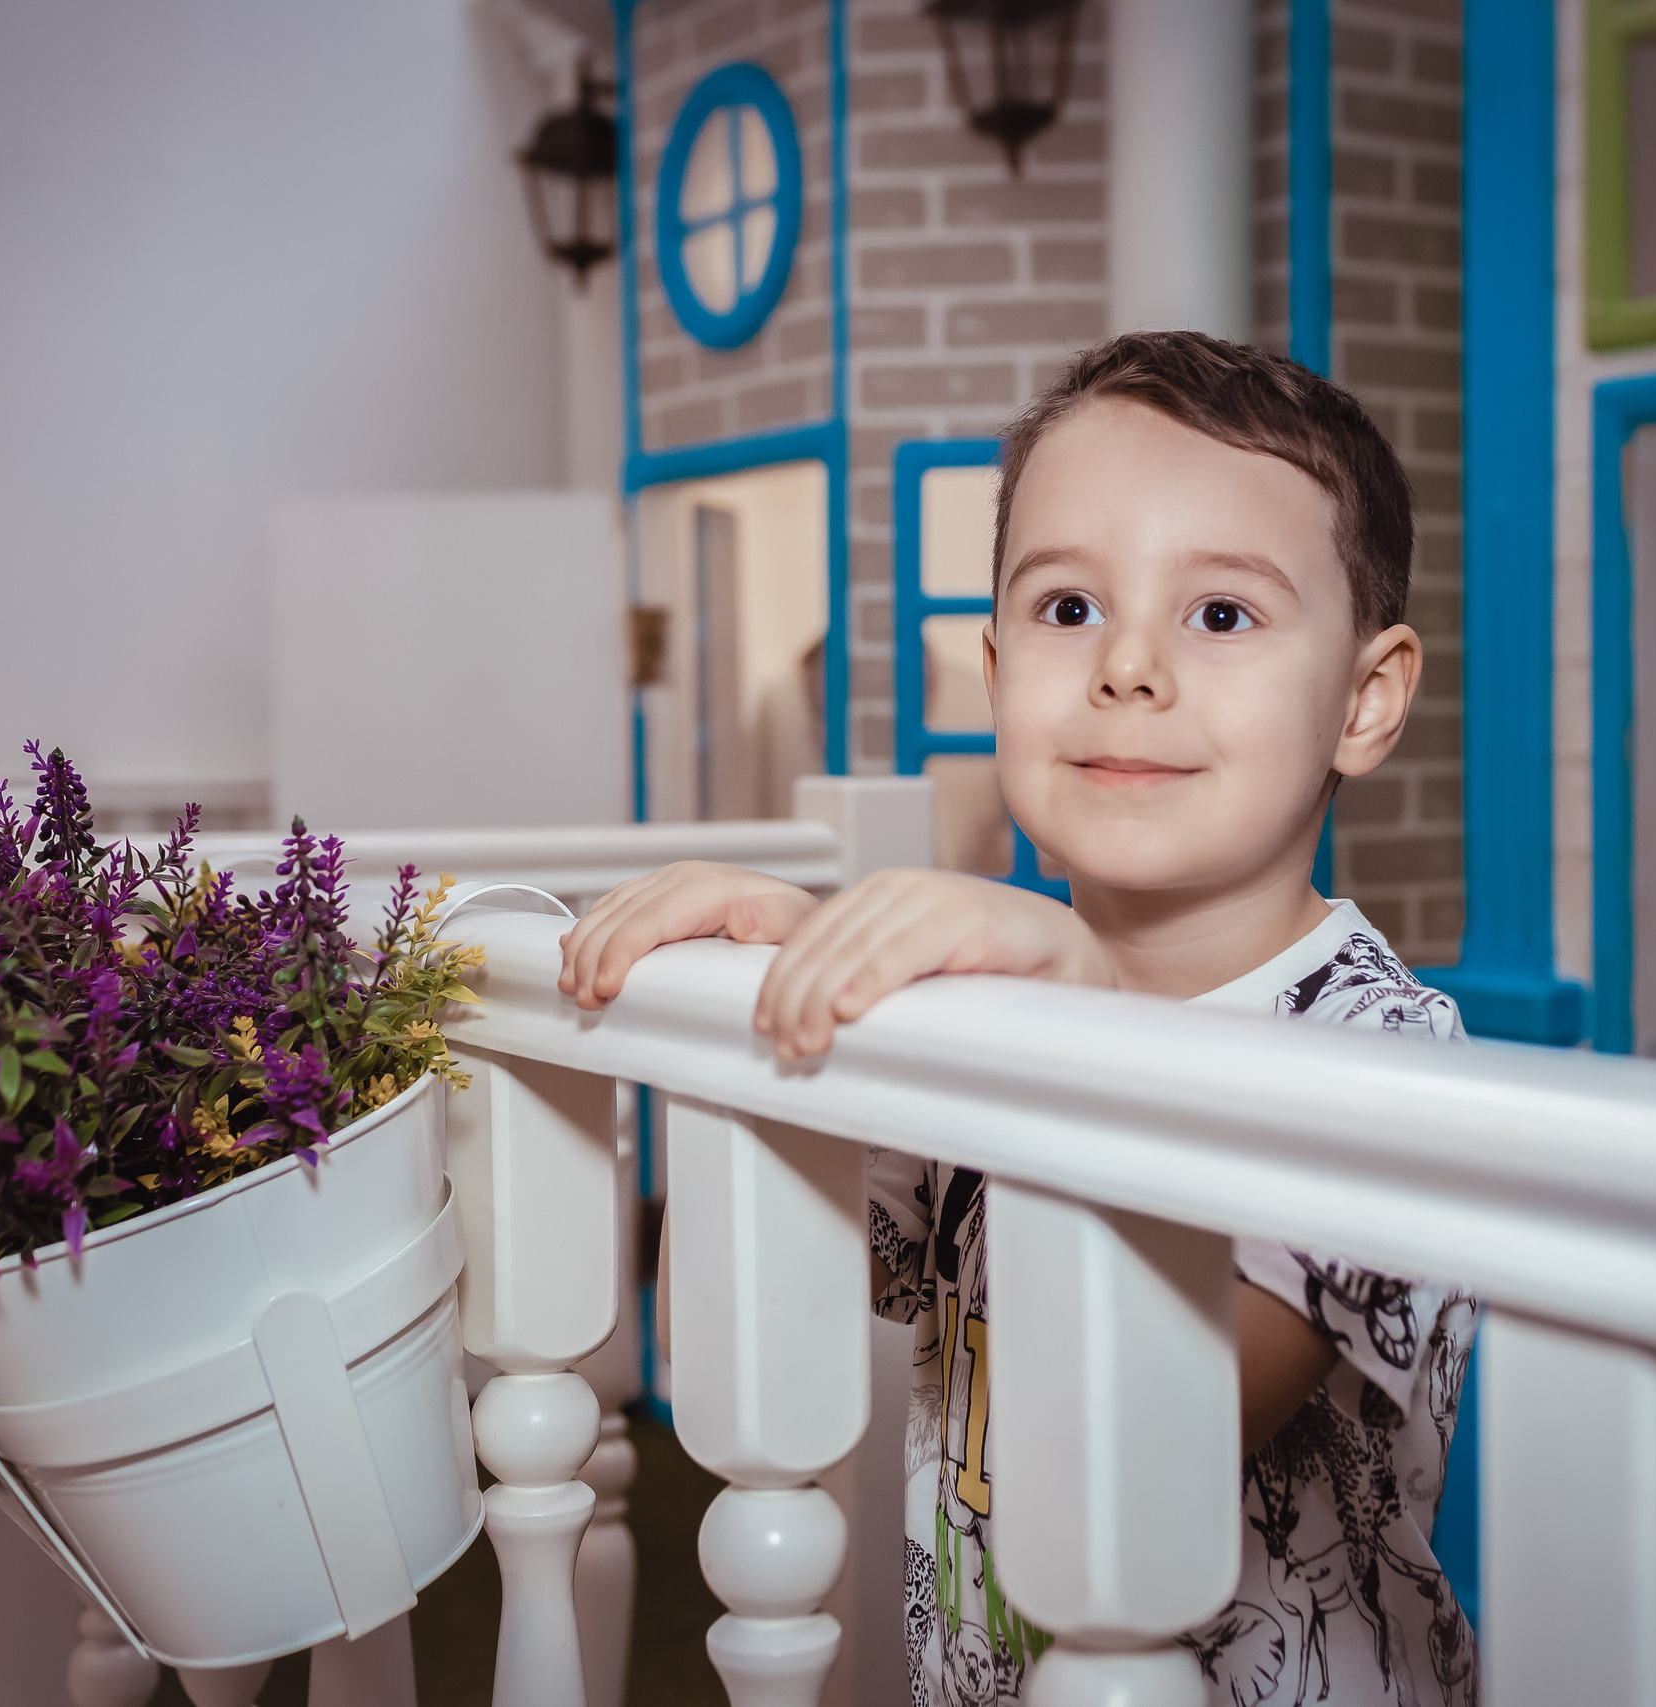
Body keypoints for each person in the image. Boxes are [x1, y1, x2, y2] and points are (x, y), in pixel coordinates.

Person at [557, 330, 1478, 1707]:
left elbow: (1142, 1447)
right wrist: (763, 1014)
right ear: (995, 676)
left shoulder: (1385, 1059)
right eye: (1067, 611)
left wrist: (1083, 1003)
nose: (1128, 668)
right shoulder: (968, 1016)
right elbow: (724, 1327)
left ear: (1366, 698)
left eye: (1220, 615)